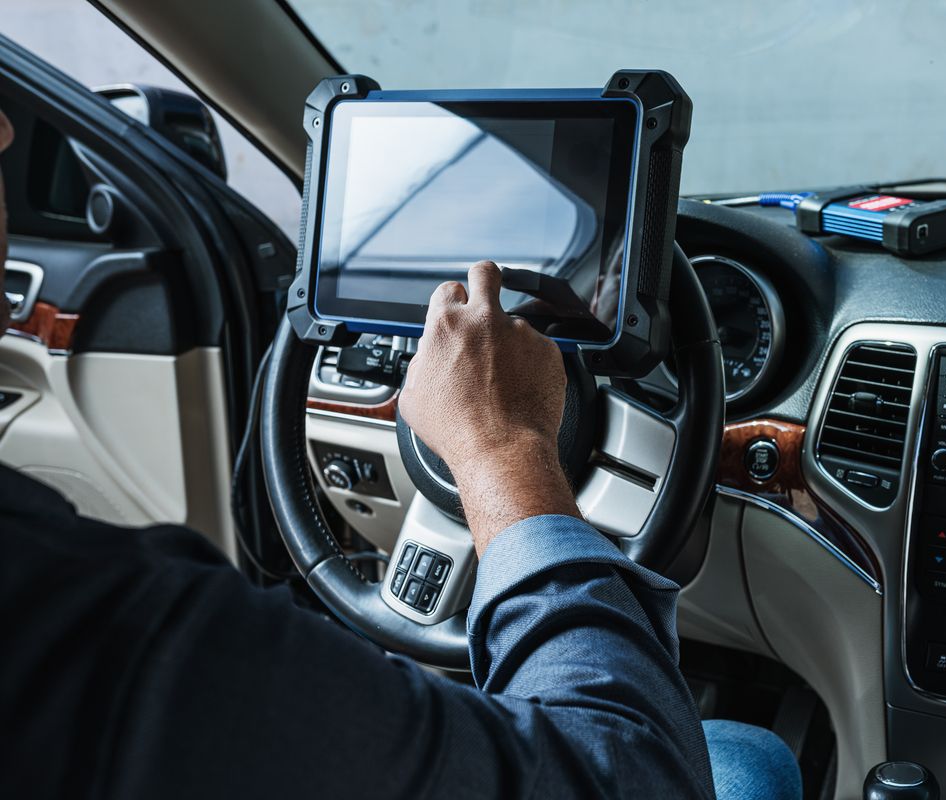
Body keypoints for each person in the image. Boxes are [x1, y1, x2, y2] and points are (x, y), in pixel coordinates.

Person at [0, 106, 803, 799]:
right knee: (740, 756)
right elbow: (637, 777)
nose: (4, 129)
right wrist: (503, 447)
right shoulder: (110, 630)